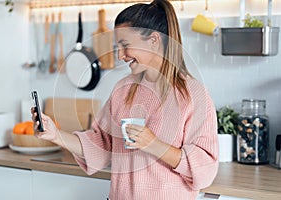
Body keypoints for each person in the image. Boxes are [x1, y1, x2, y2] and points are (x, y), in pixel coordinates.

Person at [31, 0, 219, 199]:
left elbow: (205, 170)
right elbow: (102, 145)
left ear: (154, 40)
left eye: (125, 46)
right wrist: (55, 135)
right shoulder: (123, 89)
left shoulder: (193, 95)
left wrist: (153, 144)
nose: (120, 55)